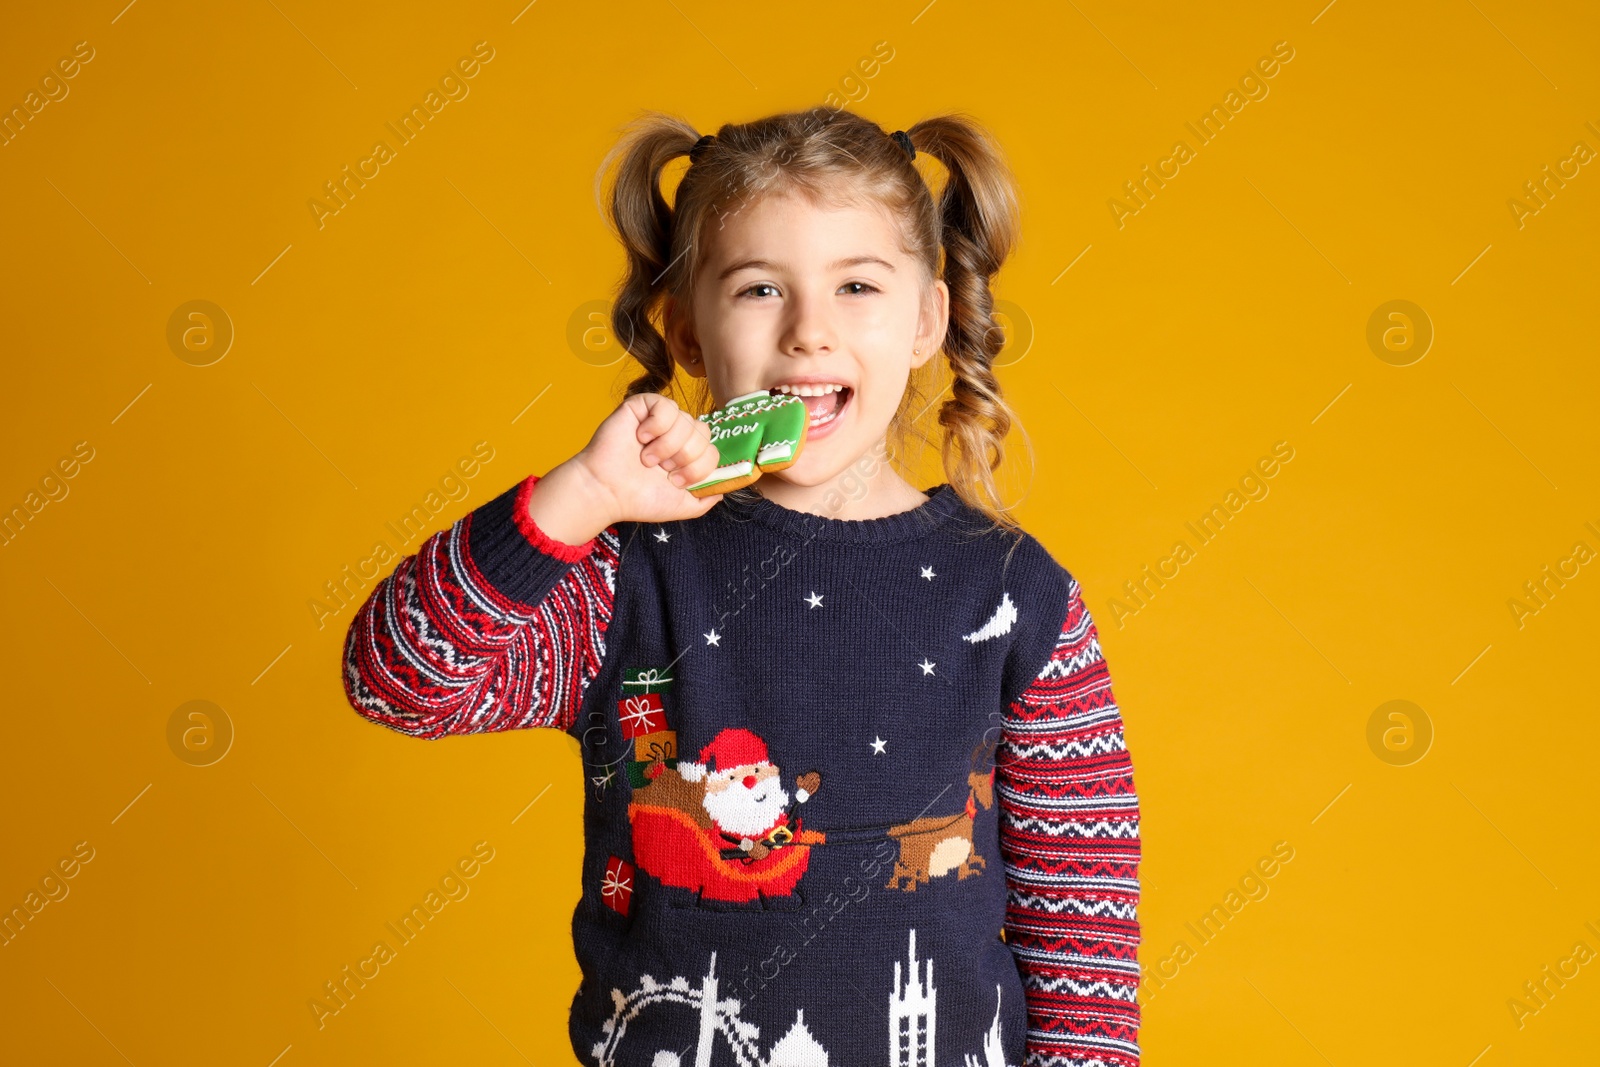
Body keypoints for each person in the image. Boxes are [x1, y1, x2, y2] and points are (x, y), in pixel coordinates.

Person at [341, 106, 1141, 1067]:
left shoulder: (1017, 594)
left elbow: (1082, 912)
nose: (810, 332)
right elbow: (400, 679)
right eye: (761, 288)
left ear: (928, 319)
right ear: (685, 328)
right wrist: (581, 497)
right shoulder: (625, 575)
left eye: (857, 285)